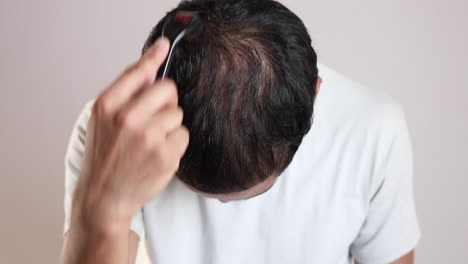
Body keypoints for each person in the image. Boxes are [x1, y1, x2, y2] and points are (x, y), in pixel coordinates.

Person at [60, 0, 421, 263]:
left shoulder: (374, 129)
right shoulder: (112, 136)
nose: (220, 206)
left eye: (243, 195)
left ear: (312, 96)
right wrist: (105, 207)